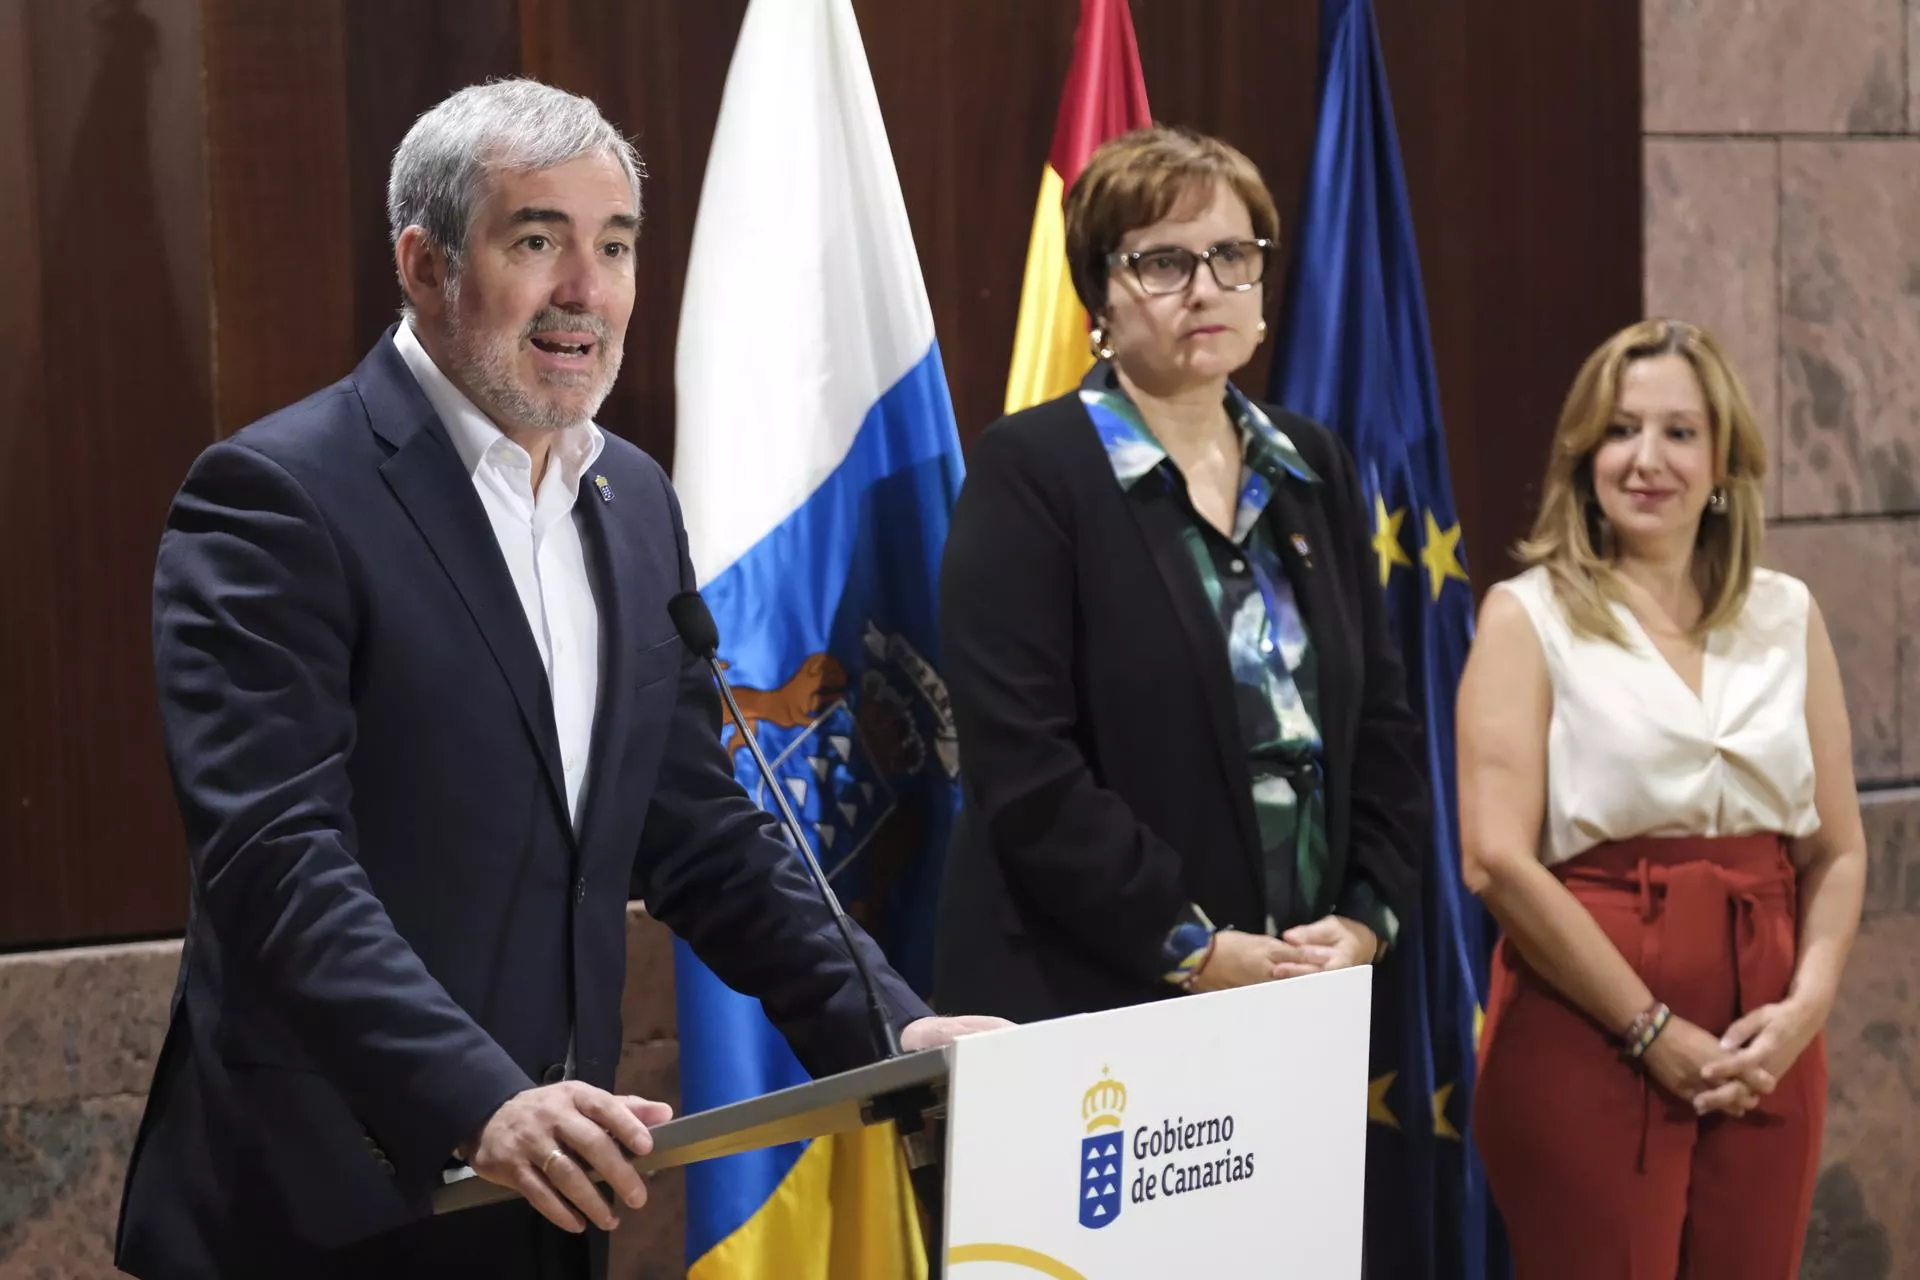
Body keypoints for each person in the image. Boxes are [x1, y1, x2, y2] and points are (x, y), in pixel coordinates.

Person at [114, 78, 1002, 1280]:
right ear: (426, 264)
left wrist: (897, 1024)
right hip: (322, 1199)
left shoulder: (630, 499)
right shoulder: (278, 498)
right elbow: (275, 861)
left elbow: (702, 831)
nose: (587, 290)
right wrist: (481, 1099)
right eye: (538, 241)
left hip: (551, 1191)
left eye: (617, 245)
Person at [933, 125, 1426, 1023]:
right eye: (1162, 262)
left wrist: (1364, 918)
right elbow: (1026, 770)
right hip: (1093, 999)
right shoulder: (1033, 471)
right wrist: (1189, 947)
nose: (1204, 288)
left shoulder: (1312, 463)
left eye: (1232, 255)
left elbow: (1383, 724)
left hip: (1301, 993)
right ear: (1100, 298)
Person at [1460, 318, 1864, 1278]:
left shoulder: (1786, 613)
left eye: (1679, 432)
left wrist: (1804, 1008)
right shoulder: (1529, 616)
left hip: (1765, 1044)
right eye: (1620, 430)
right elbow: (1494, 858)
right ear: (1583, 456)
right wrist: (1648, 1028)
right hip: (1586, 1031)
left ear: (1723, 459)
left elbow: (1837, 850)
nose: (1647, 459)